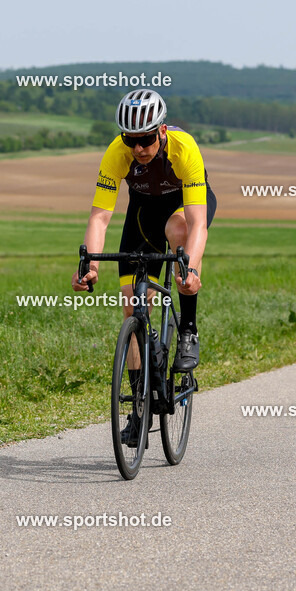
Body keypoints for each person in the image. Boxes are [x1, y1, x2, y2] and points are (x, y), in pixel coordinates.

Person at [71, 89, 215, 445]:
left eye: (146, 139)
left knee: (179, 235)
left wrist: (191, 270)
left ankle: (188, 331)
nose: (138, 148)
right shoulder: (116, 153)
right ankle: (139, 411)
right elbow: (100, 217)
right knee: (132, 306)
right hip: (143, 211)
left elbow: (198, 224)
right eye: (131, 140)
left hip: (184, 207)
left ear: (161, 131)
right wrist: (89, 263)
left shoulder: (184, 149)